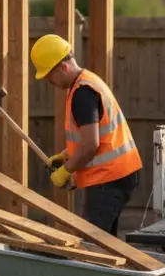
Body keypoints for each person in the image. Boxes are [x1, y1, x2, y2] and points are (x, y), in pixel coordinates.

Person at [31, 33, 143, 237]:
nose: (48, 80)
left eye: (49, 75)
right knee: (107, 244)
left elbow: (91, 144)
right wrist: (66, 155)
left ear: (63, 67)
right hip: (118, 174)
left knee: (92, 246)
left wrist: (65, 170)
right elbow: (93, 135)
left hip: (109, 179)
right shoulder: (87, 82)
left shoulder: (82, 93)